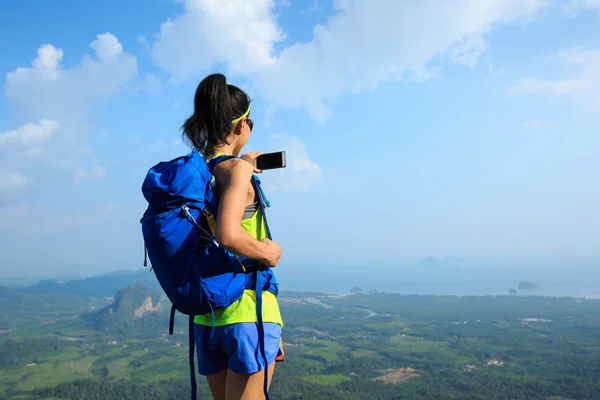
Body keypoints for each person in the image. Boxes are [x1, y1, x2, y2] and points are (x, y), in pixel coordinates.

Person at [181, 73, 284, 400]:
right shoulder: (237, 172)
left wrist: (242, 165)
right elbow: (227, 233)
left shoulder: (199, 173)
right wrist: (267, 254)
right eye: (249, 121)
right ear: (241, 126)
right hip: (246, 312)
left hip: (208, 316)